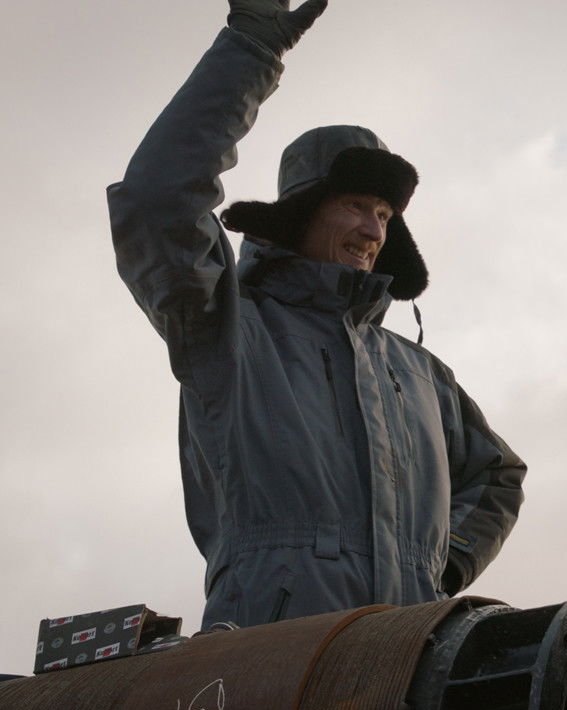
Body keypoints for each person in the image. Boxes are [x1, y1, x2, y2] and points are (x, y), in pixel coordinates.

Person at [107, 0, 525, 628]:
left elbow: (499, 475)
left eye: (384, 215)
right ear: (301, 214)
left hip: (407, 654)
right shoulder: (225, 324)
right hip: (270, 652)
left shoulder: (423, 374)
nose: (373, 231)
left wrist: (441, 564)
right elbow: (156, 201)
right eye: (355, 205)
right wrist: (250, 49)